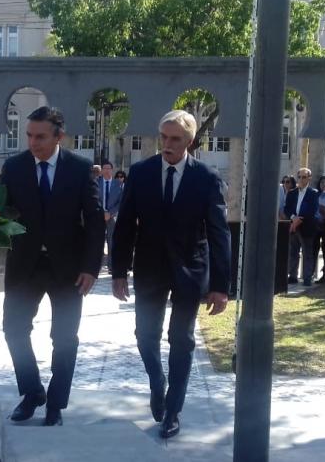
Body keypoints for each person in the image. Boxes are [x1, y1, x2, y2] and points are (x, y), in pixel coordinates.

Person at [111, 109, 231, 439]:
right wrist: (118, 271)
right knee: (144, 336)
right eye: (163, 136)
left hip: (190, 270)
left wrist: (221, 286)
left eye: (175, 138)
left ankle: (173, 411)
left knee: (182, 339)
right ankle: (157, 382)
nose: (167, 143)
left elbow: (220, 233)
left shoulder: (206, 178)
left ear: (189, 142)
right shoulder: (141, 172)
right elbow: (124, 226)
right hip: (149, 268)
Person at [0, 106, 105, 427]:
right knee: (14, 329)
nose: (33, 142)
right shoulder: (14, 167)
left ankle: (56, 404)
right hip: (24, 266)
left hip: (69, 269)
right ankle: (32, 392)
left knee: (64, 337)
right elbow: (0, 212)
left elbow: (95, 222)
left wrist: (91, 267)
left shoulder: (80, 169)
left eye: (41, 136)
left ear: (59, 135)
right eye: (29, 135)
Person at [284, 167, 320, 286]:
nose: (301, 179)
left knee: (307, 253)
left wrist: (298, 220)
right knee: (293, 252)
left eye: (304, 177)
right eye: (299, 177)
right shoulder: (292, 193)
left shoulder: (313, 193)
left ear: (309, 178)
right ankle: (292, 276)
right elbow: (287, 209)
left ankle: (307, 277)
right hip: (293, 226)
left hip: (307, 226)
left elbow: (312, 210)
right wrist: (293, 218)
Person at [97, 161, 123, 271]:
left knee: (112, 241)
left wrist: (110, 213)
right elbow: (94, 199)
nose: (107, 170)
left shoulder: (118, 184)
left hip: (112, 217)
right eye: (105, 168)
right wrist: (102, 212)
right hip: (98, 216)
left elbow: (120, 202)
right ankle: (96, 266)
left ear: (112, 170)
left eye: (109, 168)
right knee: (97, 241)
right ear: (102, 170)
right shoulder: (96, 182)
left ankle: (111, 266)